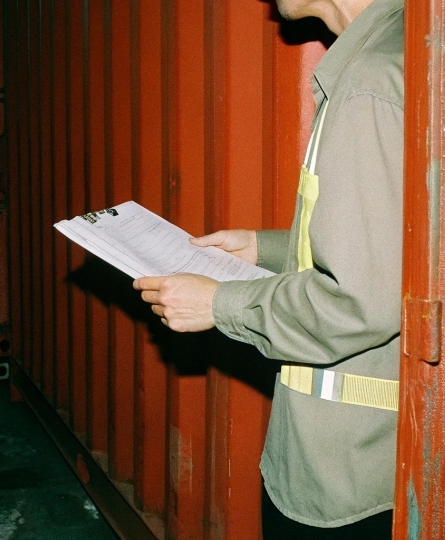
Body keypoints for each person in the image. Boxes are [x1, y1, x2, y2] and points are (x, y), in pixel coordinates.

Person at [132, 0, 404, 537]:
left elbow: (356, 303)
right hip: (371, 459)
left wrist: (218, 303)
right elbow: (396, 250)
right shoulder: (391, 55)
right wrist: (265, 249)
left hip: (346, 470)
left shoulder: (369, 82)